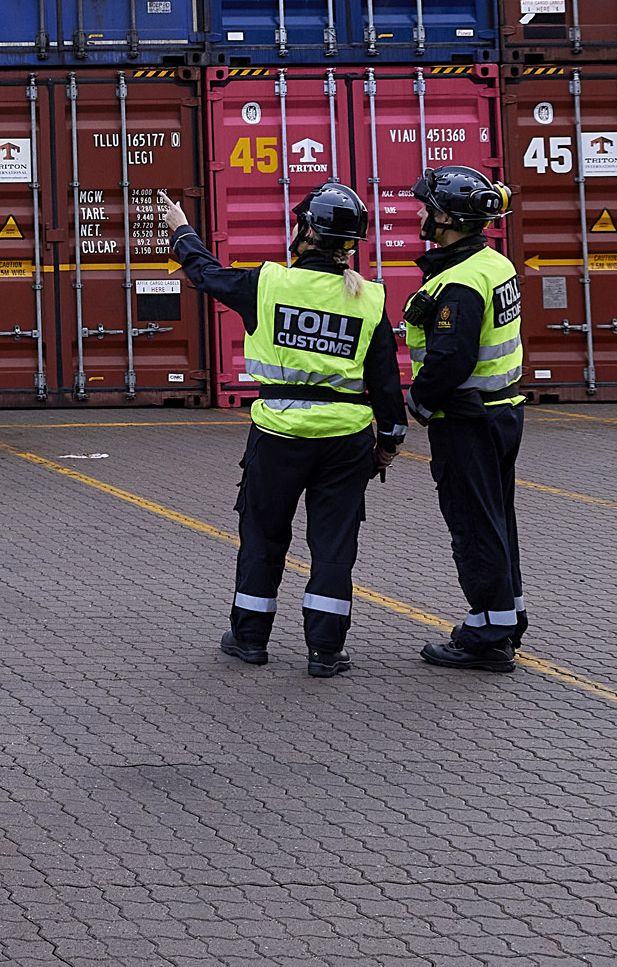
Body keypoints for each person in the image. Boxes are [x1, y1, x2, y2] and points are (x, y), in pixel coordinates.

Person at [150, 183, 409, 678]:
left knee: (264, 536)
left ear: (306, 232)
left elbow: (205, 274)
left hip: (277, 438)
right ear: (350, 244)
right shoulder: (370, 299)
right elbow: (385, 383)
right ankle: (325, 651)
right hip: (346, 441)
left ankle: (249, 639)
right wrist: (390, 443)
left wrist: (180, 228)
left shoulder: (267, 284)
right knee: (334, 544)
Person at [400, 165, 528, 672]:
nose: (419, 214)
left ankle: (488, 636)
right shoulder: (493, 264)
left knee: (473, 525)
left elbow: (451, 360)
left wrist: (418, 403)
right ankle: (506, 615)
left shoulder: (459, 284)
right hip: (501, 413)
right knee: (497, 521)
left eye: (426, 207)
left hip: (468, 420)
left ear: (448, 218)